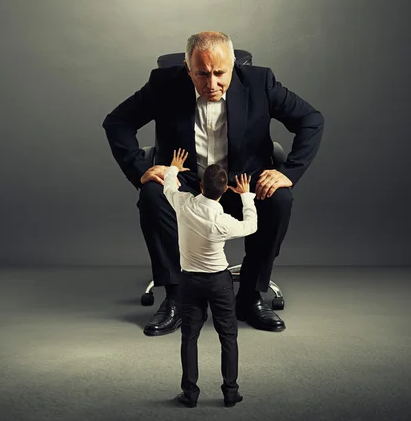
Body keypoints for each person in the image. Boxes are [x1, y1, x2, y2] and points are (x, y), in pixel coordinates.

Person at [102, 31, 324, 335]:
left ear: (233, 64)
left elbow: (311, 119)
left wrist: (290, 171)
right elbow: (117, 122)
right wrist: (140, 168)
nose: (212, 84)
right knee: (153, 194)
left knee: (280, 198)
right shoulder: (164, 85)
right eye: (201, 74)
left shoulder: (260, 83)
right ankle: (176, 299)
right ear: (187, 67)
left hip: (241, 183)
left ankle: (249, 297)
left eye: (220, 73)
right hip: (188, 185)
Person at [163, 148, 256, 408]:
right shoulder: (223, 221)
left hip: (190, 281)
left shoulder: (183, 204)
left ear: (200, 186)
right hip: (219, 282)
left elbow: (168, 187)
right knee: (228, 336)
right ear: (225, 191)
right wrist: (247, 196)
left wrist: (174, 168)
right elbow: (251, 226)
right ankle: (230, 392)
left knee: (189, 337)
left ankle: (190, 394)